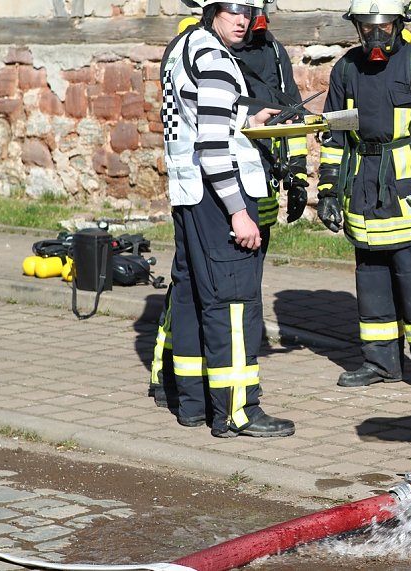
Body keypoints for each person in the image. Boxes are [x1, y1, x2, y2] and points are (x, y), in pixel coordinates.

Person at [149, 3, 308, 411]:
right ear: (212, 10)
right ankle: (238, 411)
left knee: (189, 296)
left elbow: (194, 112)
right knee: (233, 303)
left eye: (248, 10)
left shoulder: (186, 46)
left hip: (190, 194)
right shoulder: (218, 58)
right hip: (221, 197)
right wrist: (239, 211)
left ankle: (191, 403)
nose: (242, 20)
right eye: (233, 9)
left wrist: (247, 117)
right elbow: (214, 147)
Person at [315, 0, 411, 399]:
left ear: (400, 24)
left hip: (409, 190)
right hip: (363, 189)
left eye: (383, 26)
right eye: (366, 27)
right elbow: (336, 136)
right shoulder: (346, 69)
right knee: (372, 279)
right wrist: (329, 190)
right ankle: (381, 362)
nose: (375, 35)